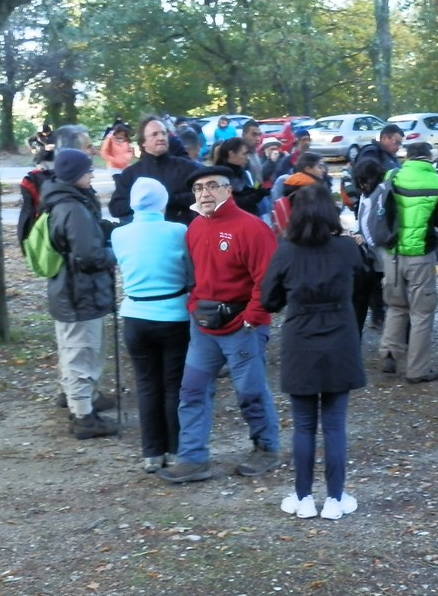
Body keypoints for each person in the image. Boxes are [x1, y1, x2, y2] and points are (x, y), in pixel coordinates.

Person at [158, 165, 281, 484]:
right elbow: (195, 275)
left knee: (250, 391)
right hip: (204, 326)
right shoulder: (196, 227)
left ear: (229, 190)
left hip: (243, 326)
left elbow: (268, 281)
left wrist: (252, 318)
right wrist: (194, 306)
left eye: (212, 186)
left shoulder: (252, 229)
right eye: (199, 189)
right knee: (192, 390)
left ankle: (267, 448)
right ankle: (192, 458)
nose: (205, 193)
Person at [262, 184, 366, 520]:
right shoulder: (346, 249)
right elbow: (363, 283)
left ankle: (303, 496)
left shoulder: (286, 251)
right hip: (340, 339)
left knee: (303, 425)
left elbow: (268, 299)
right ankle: (335, 498)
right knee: (334, 425)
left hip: (301, 340)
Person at [110, 178, 192, 472]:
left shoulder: (119, 234)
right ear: (163, 201)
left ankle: (151, 452)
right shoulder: (179, 231)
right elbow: (189, 272)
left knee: (146, 384)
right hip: (174, 315)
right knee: (173, 384)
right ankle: (176, 449)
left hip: (135, 315)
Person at [41, 148, 118, 440]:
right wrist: (114, 254)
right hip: (79, 291)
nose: (92, 174)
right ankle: (83, 415)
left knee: (76, 347)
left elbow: (88, 235)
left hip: (71, 288)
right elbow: (88, 255)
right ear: (74, 174)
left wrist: (110, 230)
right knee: (81, 350)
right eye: (88, 170)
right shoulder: (71, 207)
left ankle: (81, 396)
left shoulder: (69, 200)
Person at [379, 141, 438, 383]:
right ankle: (417, 369)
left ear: (407, 157)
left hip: (392, 252)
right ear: (429, 157)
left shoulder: (392, 175)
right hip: (420, 254)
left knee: (396, 305)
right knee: (421, 312)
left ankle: (389, 353)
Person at [108, 116, 203, 225]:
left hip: (183, 231)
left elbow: (205, 194)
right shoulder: (131, 174)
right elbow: (116, 208)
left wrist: (170, 199)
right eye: (154, 134)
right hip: (146, 232)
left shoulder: (187, 167)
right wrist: (145, 202)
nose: (161, 137)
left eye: (164, 133)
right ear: (143, 142)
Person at [351, 158, 387, 334]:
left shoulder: (382, 193)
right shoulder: (366, 194)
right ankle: (378, 315)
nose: (362, 185)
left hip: (382, 253)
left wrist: (366, 239)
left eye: (364, 181)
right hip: (371, 254)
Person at [214, 137, 268, 216]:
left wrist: (258, 188)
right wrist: (257, 195)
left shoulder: (242, 171)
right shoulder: (221, 176)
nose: (247, 157)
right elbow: (236, 203)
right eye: (244, 154)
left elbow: (253, 185)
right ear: (231, 154)